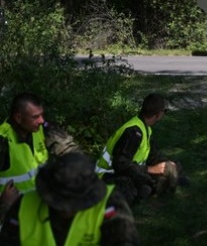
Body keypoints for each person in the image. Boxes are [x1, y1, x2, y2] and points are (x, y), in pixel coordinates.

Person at [0, 152, 139, 245]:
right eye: (61, 201)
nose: (66, 209)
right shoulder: (23, 206)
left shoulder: (110, 203)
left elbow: (126, 241)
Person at [0, 92, 79, 224]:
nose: (41, 120)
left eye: (42, 115)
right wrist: (4, 202)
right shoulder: (3, 141)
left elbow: (69, 149)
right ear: (19, 118)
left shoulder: (41, 129)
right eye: (35, 117)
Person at [96, 93, 186, 206]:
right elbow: (120, 164)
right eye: (164, 111)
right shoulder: (133, 132)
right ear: (158, 115)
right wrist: (150, 169)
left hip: (130, 170)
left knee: (171, 167)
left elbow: (153, 156)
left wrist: (166, 164)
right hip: (108, 175)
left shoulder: (145, 129)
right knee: (134, 186)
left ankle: (165, 184)